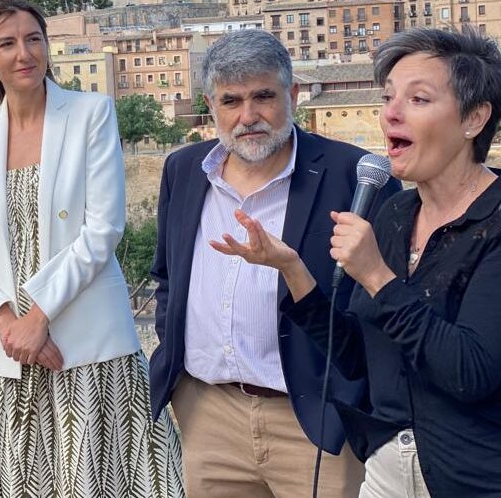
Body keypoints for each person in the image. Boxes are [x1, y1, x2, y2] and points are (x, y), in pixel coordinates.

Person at [213, 28, 501, 497]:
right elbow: (359, 357)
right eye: (388, 97)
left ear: (474, 118)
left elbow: (470, 372)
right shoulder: (393, 215)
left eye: (418, 99)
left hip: (473, 475)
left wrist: (376, 276)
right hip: (387, 468)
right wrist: (293, 271)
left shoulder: (495, 220)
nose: (391, 112)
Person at [0, 0, 184, 497]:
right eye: (7, 43)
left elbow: (103, 228)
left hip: (87, 340)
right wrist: (11, 325)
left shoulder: (91, 113)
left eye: (34, 39)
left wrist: (40, 317)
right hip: (7, 353)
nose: (24, 53)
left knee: (105, 484)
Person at [149, 29, 400, 498]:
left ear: (294, 94)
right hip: (210, 415)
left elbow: (381, 307)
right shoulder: (183, 170)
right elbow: (167, 278)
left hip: (315, 419)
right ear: (210, 103)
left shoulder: (354, 178)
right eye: (232, 101)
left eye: (264, 96)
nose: (249, 116)